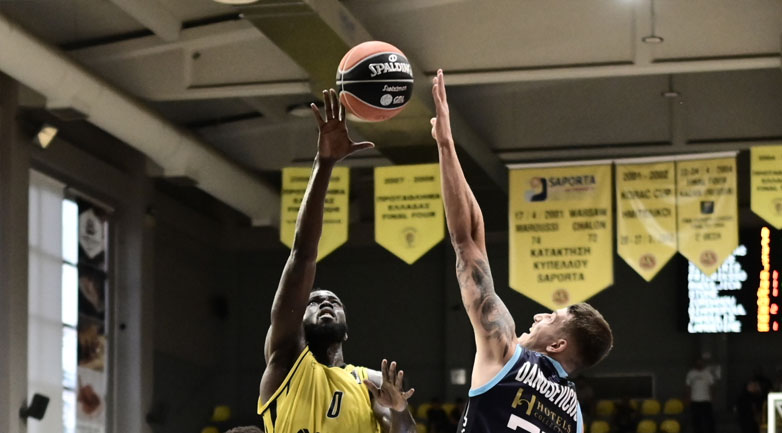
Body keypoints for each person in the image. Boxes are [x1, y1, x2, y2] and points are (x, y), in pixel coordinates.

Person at [430, 69, 614, 433]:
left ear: (558, 344)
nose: (539, 316)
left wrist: (446, 145)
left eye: (552, 317)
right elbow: (472, 240)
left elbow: (467, 243)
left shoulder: (508, 356)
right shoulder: (575, 419)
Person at [257, 89, 416, 433]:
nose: (325, 303)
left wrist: (401, 410)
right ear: (297, 317)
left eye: (334, 302)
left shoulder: (371, 382)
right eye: (314, 301)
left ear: (348, 329)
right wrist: (324, 164)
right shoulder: (285, 360)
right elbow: (303, 254)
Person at [686, 358, 715, 433]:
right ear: (695, 364)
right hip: (694, 400)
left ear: (703, 363)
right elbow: (688, 386)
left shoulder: (707, 373)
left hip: (706, 400)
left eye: (700, 363)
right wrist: (688, 398)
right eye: (697, 363)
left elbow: (712, 386)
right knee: (696, 420)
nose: (699, 364)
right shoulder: (691, 373)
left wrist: (712, 397)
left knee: (708, 419)